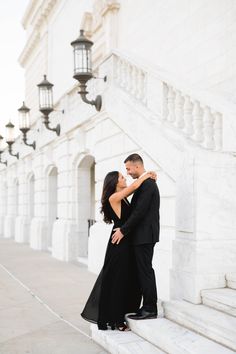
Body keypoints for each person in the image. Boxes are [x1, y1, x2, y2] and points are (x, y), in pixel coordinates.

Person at [81, 169, 156, 331]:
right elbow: (136, 185)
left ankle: (122, 313)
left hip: (126, 242)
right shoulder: (114, 197)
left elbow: (136, 190)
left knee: (126, 279)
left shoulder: (122, 197)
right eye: (122, 177)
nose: (125, 178)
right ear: (115, 183)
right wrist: (148, 175)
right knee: (117, 281)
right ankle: (116, 320)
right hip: (120, 245)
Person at [112, 153, 160, 320]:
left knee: (145, 271)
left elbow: (139, 212)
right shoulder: (143, 183)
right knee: (142, 271)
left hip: (145, 236)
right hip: (141, 235)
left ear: (137, 166)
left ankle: (150, 308)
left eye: (128, 168)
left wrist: (123, 230)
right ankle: (145, 306)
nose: (128, 172)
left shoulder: (148, 184)